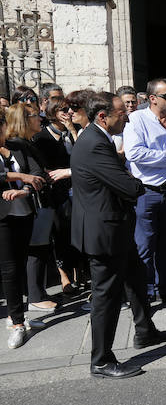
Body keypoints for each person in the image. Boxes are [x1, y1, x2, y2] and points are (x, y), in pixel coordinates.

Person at [70, 92, 166, 378]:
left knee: (136, 277)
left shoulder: (98, 139)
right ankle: (102, 360)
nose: (127, 116)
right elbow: (128, 187)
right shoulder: (94, 144)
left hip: (115, 226)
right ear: (103, 117)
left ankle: (145, 331)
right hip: (104, 232)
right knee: (107, 297)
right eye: (121, 113)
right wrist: (140, 184)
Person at [123, 78, 166, 306]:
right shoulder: (136, 120)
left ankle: (165, 290)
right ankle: (146, 291)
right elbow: (135, 154)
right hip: (145, 192)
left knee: (165, 244)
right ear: (152, 99)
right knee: (144, 245)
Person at [0, 108, 48, 348]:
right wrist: (20, 176)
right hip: (3, 218)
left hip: (24, 212)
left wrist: (25, 188)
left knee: (20, 265)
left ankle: (15, 314)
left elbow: (38, 173)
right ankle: (18, 323)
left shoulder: (17, 146)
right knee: (9, 269)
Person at [5, 103, 58, 312]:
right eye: (36, 116)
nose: (40, 119)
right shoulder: (19, 144)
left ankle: (39, 292)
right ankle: (35, 296)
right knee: (36, 250)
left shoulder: (27, 142)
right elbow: (35, 173)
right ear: (24, 120)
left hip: (41, 203)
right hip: (35, 204)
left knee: (41, 249)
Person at [32, 96, 80, 299]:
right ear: (52, 113)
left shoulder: (74, 130)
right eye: (62, 109)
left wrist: (72, 131)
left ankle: (79, 272)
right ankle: (64, 275)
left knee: (77, 229)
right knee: (61, 232)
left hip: (77, 185)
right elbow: (44, 167)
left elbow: (85, 153)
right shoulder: (43, 137)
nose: (68, 112)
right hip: (57, 189)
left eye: (69, 108)